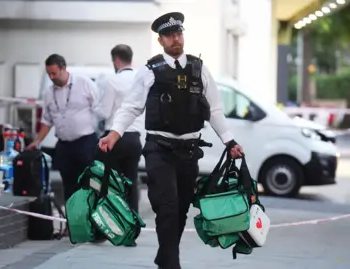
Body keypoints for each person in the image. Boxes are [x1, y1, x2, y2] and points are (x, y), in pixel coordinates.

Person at [98, 12, 243, 269]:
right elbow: (131, 108)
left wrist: (230, 142)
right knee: (167, 208)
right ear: (161, 40)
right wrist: (114, 133)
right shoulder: (149, 71)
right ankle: (170, 264)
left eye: (179, 34)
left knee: (181, 209)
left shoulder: (200, 69)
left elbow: (215, 110)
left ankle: (165, 255)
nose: (176, 39)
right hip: (159, 150)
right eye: (169, 35)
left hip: (189, 151)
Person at [28, 54, 102, 204]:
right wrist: (37, 141)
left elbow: (100, 110)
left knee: (89, 184)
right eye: (49, 74)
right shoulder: (48, 93)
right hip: (64, 146)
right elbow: (47, 121)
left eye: (54, 73)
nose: (51, 77)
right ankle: (72, 224)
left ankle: (91, 222)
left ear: (63, 69)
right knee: (68, 186)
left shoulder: (84, 83)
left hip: (85, 143)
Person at [95, 44, 143, 221]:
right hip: (134, 138)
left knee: (112, 183)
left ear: (116, 60)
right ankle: (132, 225)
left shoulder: (112, 81)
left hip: (113, 137)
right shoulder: (140, 80)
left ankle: (114, 224)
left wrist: (95, 107)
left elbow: (104, 112)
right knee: (132, 182)